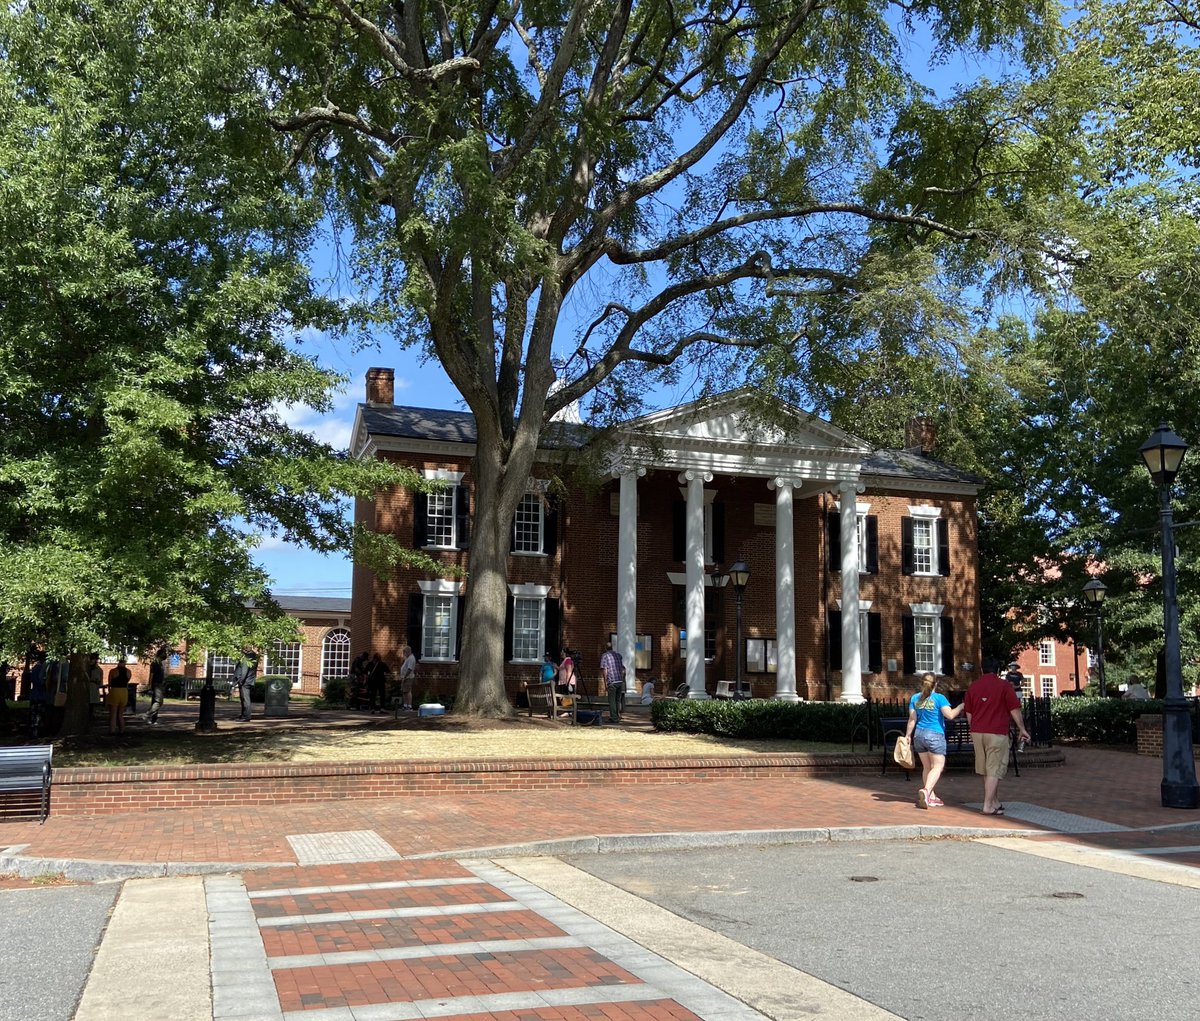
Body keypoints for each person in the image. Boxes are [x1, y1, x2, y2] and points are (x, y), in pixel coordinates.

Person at [964, 658, 1031, 816]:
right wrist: (1022, 729)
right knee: (995, 768)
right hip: (996, 732)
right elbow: (1014, 709)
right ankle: (987, 805)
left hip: (977, 731)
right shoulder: (1004, 686)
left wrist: (973, 727)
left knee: (986, 768)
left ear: (982, 670)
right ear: (998, 669)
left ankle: (994, 801)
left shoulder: (973, 687)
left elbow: (969, 712)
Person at [904, 672, 964, 809]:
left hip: (918, 735)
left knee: (927, 767)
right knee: (938, 766)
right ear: (935, 683)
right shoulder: (939, 698)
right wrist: (961, 706)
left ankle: (930, 796)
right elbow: (950, 715)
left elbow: (912, 719)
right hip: (934, 735)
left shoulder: (915, 698)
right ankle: (926, 791)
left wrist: (908, 735)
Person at [600, 642, 625, 723]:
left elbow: (605, 670)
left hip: (612, 681)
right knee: (617, 700)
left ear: (605, 648)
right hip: (619, 680)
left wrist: (605, 682)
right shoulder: (618, 655)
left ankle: (614, 717)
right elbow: (622, 668)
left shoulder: (605, 656)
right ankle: (617, 715)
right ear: (612, 647)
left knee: (612, 701)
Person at [107, 657, 131, 736]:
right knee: (120, 714)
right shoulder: (128, 671)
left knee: (113, 714)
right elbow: (127, 681)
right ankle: (122, 731)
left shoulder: (113, 671)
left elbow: (110, 682)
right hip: (124, 691)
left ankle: (112, 731)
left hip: (115, 690)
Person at [233, 651, 259, 721]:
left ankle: (246, 716)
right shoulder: (254, 658)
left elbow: (244, 671)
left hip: (245, 682)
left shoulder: (247, 659)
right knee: (244, 699)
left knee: (245, 699)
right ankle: (244, 715)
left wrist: (241, 681)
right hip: (248, 681)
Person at [146, 646, 168, 725]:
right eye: (164, 654)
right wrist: (149, 684)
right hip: (156, 684)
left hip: (160, 684)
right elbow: (151, 674)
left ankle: (153, 719)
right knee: (159, 702)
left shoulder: (160, 663)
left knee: (155, 702)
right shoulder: (155, 663)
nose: (165, 655)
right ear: (161, 654)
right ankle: (147, 715)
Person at [398, 645, 417, 711]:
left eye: (404, 652)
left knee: (408, 691)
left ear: (408, 651)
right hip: (405, 677)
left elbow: (409, 669)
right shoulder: (408, 658)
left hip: (408, 677)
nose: (404, 654)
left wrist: (405, 677)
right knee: (404, 691)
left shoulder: (411, 658)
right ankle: (405, 705)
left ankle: (409, 706)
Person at [86, 652, 104, 720]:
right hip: (87, 688)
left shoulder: (98, 669)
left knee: (92, 705)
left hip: (93, 687)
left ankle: (91, 716)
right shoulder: (86, 668)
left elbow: (99, 681)